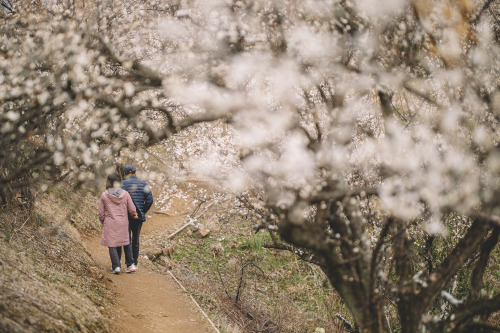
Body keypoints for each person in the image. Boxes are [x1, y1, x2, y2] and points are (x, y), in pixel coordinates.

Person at [99, 173, 139, 274]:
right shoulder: (125, 194)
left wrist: (103, 220)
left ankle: (116, 266)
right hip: (123, 222)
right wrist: (134, 215)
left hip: (110, 222)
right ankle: (130, 264)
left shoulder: (104, 195)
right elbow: (132, 209)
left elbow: (101, 212)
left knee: (112, 244)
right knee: (126, 241)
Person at [122, 164, 154, 270]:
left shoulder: (121, 184)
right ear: (135, 173)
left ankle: (129, 264)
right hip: (138, 215)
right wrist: (142, 211)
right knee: (136, 239)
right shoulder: (143, 183)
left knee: (127, 239)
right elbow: (150, 200)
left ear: (125, 174)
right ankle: (135, 263)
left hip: (125, 215)